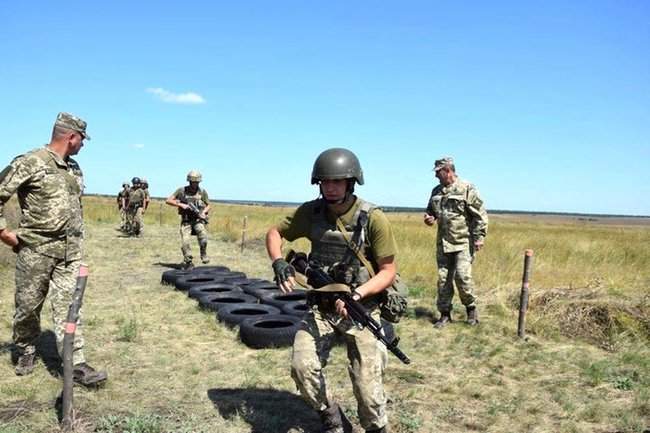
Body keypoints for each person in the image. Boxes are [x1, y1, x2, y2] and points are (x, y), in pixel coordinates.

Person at [266, 148, 396, 433]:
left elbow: (388, 271)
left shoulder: (372, 218)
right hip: (321, 309)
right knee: (302, 366)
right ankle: (331, 415)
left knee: (367, 388)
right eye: (325, 182)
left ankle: (376, 427)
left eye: (337, 181)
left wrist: (357, 295)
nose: (331, 187)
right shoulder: (311, 213)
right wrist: (278, 262)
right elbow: (275, 232)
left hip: (363, 309)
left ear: (351, 183)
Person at [0, 112, 107, 386]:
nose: (83, 144)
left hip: (69, 253)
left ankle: (76, 363)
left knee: (69, 308)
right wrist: (4, 234)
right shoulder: (30, 162)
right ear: (71, 137)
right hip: (35, 250)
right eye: (82, 139)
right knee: (27, 308)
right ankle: (25, 349)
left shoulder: (74, 169)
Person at [423, 157, 488, 328]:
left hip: (463, 242)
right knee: (443, 280)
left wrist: (480, 237)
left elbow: (479, 215)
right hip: (443, 243)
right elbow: (431, 212)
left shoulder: (466, 188)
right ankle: (445, 314)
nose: (436, 175)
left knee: (462, 277)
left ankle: (471, 310)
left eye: (438, 172)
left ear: (448, 171)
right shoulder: (436, 191)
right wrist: (429, 218)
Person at [165, 170, 211, 269]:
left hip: (198, 220)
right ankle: (188, 261)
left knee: (203, 237)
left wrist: (203, 212)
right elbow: (168, 200)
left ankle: (203, 254)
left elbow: (208, 205)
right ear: (189, 181)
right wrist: (181, 204)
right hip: (186, 221)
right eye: (192, 182)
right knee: (185, 242)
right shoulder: (181, 191)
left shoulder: (202, 192)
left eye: (196, 182)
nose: (194, 184)